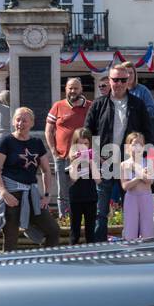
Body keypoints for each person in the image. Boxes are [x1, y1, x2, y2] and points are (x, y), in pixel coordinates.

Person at [85, 64, 154, 241]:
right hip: (105, 162)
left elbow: (148, 132)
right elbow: (87, 132)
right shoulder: (98, 104)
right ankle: (99, 248)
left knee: (130, 209)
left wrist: (141, 160)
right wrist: (96, 155)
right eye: (115, 79)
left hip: (130, 163)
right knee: (101, 211)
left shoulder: (137, 104)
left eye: (123, 79)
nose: (119, 83)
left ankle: (130, 245)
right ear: (109, 80)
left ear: (128, 80)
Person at [0, 106, 60, 252]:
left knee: (53, 230)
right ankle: (10, 272)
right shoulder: (6, 141)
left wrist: (47, 195)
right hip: (11, 195)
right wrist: (3, 192)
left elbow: (46, 170)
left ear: (32, 123)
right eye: (18, 120)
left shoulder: (36, 143)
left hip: (31, 195)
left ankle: (46, 264)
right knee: (11, 238)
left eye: (24, 120)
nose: (20, 123)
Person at [46, 78, 90, 216]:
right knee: (62, 192)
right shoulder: (58, 106)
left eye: (76, 88)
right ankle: (64, 218)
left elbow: (95, 130)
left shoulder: (90, 106)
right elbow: (48, 130)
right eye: (70, 88)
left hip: (83, 158)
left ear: (81, 89)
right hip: (62, 156)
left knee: (81, 190)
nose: (73, 91)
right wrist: (53, 151)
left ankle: (79, 218)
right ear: (66, 89)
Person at [119, 132, 154, 239]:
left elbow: (150, 180)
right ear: (128, 146)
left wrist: (136, 169)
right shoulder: (124, 164)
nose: (137, 147)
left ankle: (147, 251)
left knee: (147, 229)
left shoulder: (148, 162)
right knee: (130, 228)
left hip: (146, 197)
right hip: (131, 198)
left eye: (140, 144)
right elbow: (125, 186)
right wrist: (140, 176)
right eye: (134, 144)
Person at [66, 127, 99, 245]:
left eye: (86, 143)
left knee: (90, 231)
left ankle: (92, 256)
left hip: (91, 197)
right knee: (75, 230)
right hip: (76, 198)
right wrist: (76, 161)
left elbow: (98, 180)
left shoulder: (93, 157)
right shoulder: (71, 158)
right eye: (80, 144)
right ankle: (72, 255)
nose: (83, 147)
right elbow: (73, 179)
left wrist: (91, 163)